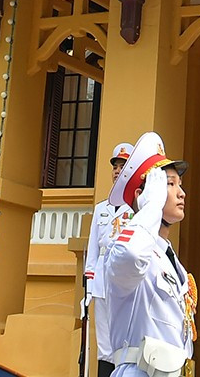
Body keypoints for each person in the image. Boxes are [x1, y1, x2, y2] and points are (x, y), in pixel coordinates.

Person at [105, 131, 196, 377]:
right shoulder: (123, 247)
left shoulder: (168, 258)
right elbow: (131, 255)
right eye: (169, 184)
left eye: (180, 184)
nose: (181, 193)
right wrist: (152, 206)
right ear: (142, 194)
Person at [87, 142, 135, 377]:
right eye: (115, 166)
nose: (117, 170)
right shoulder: (101, 209)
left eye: (123, 166)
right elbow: (93, 249)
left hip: (125, 278)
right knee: (104, 342)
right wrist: (89, 285)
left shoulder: (136, 207)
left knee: (125, 338)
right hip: (102, 279)